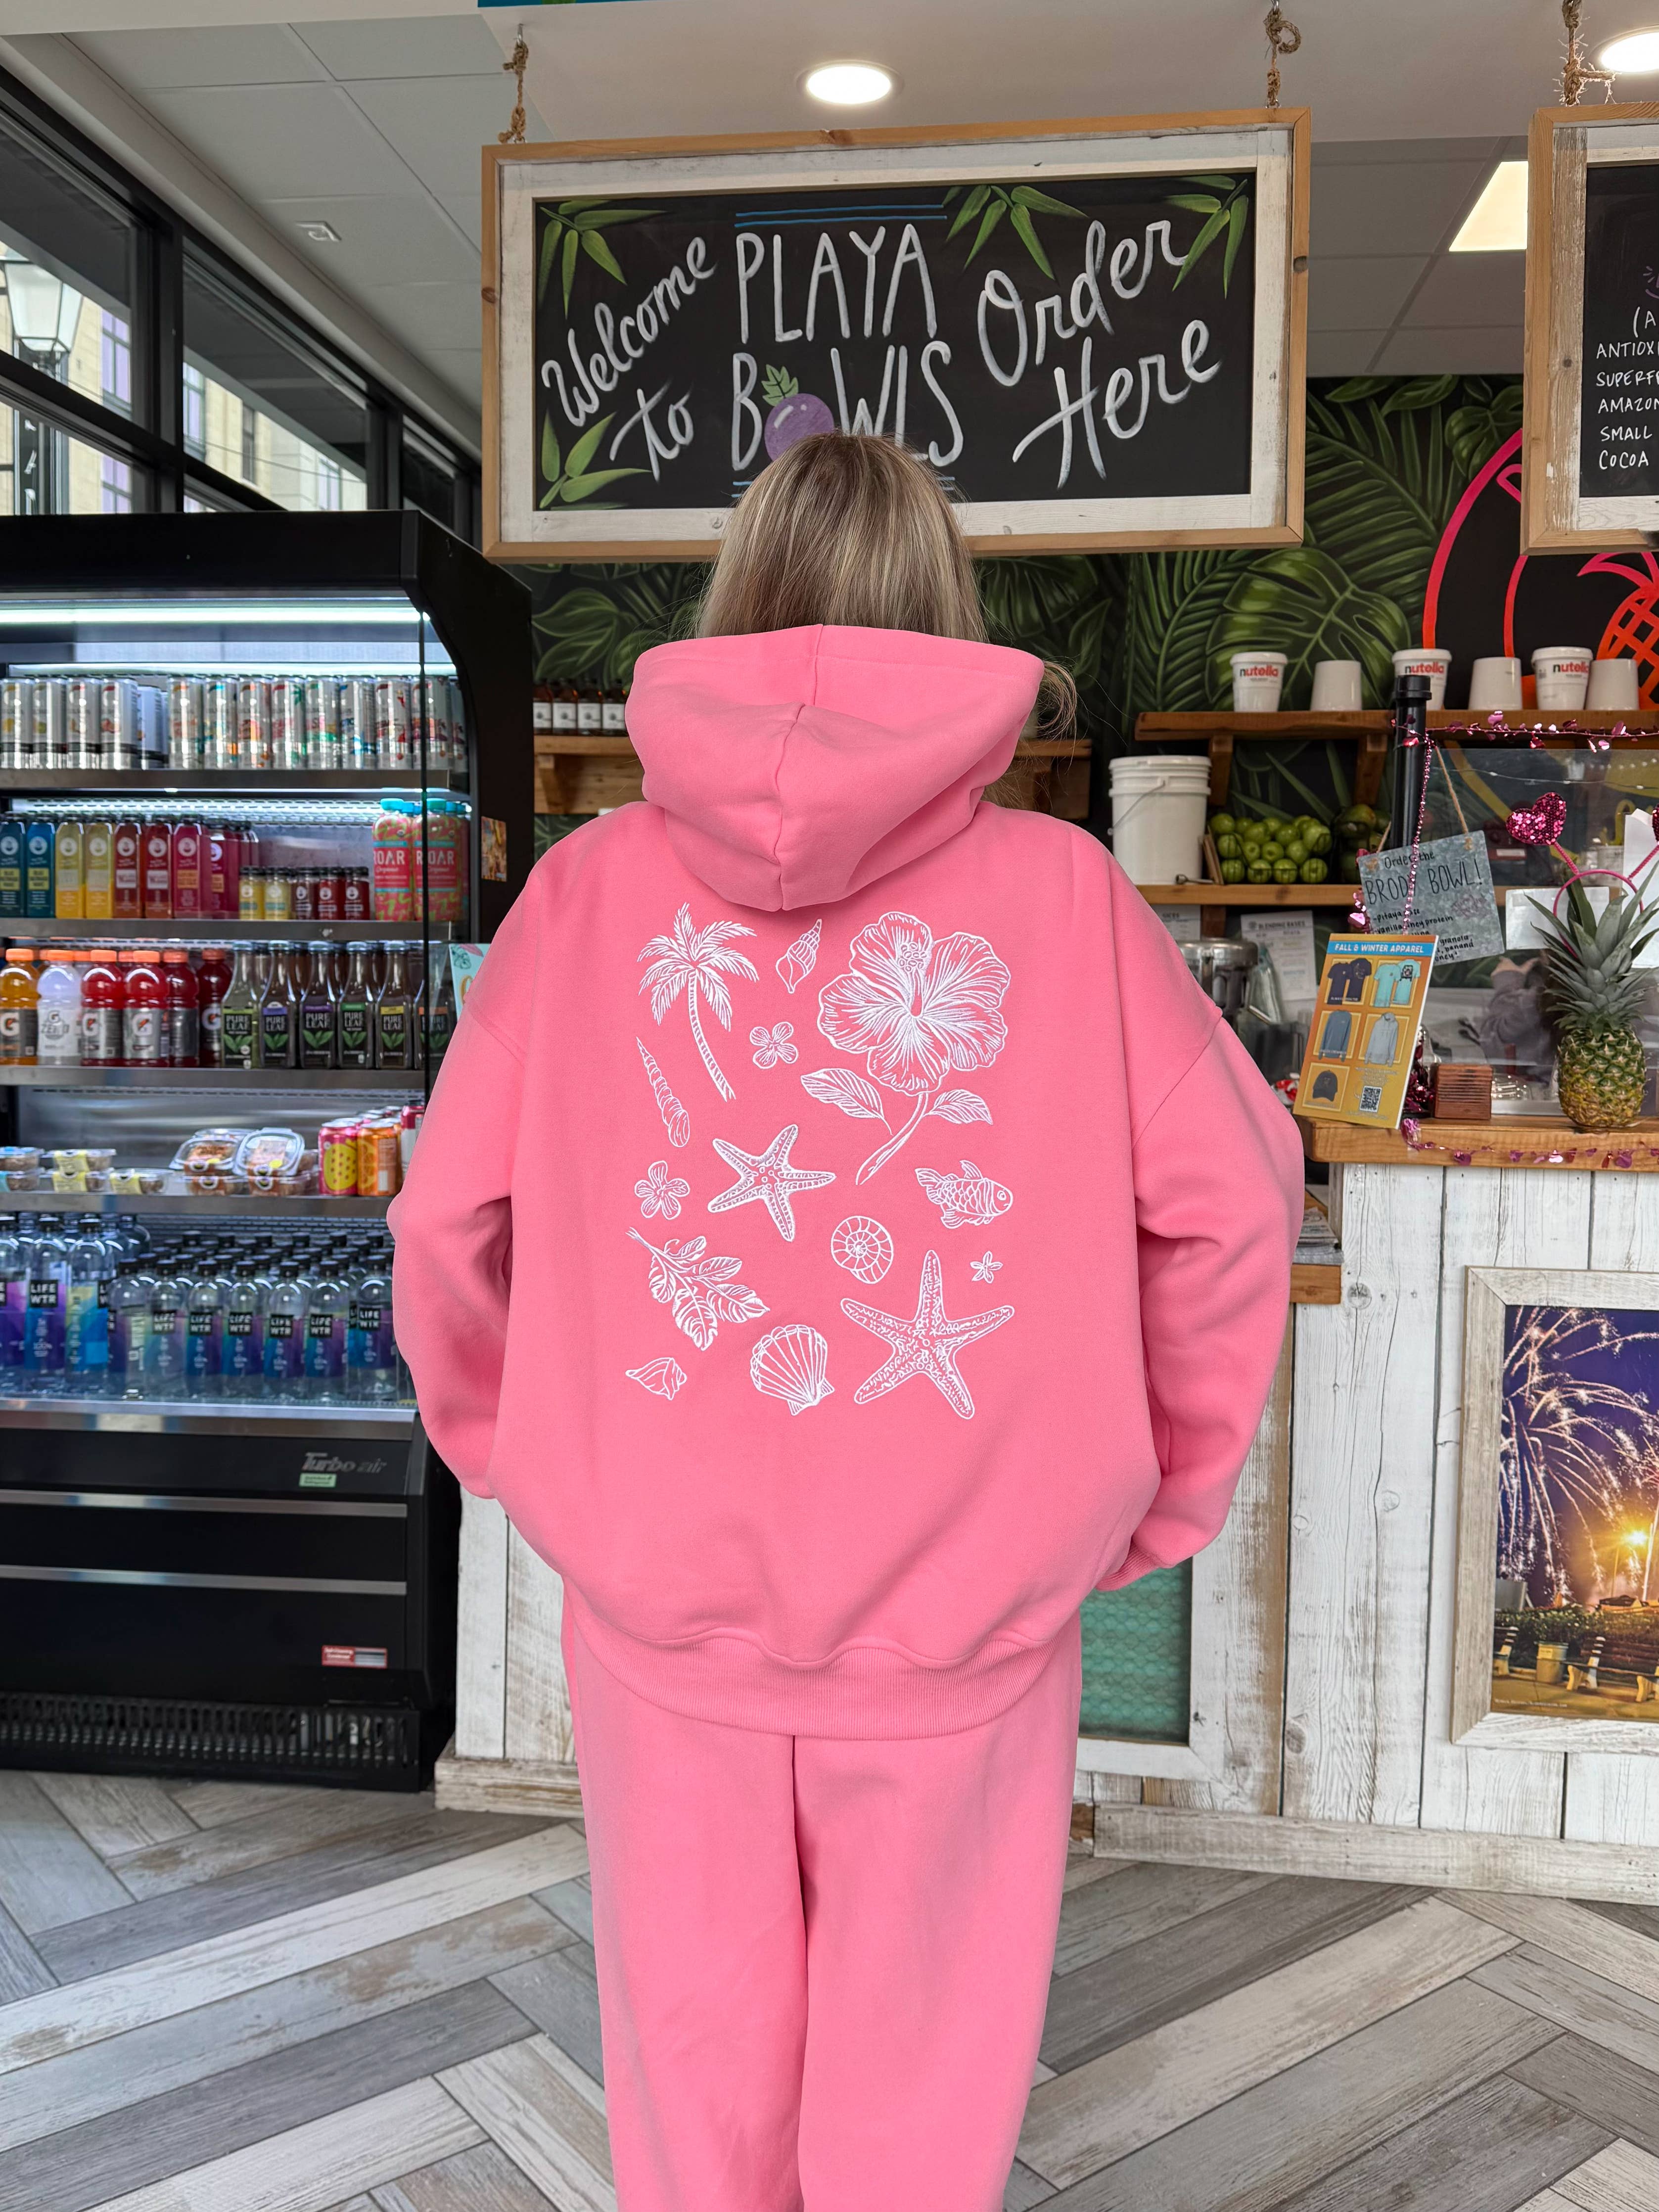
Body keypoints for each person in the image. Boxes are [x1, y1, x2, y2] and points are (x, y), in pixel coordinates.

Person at [390, 432, 1303, 2212]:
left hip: (659, 1609)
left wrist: (523, 1452)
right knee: (924, 2083)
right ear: (944, 619)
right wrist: (1157, 1493)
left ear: (732, 604)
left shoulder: (580, 895)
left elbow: (446, 1218)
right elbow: (1235, 1209)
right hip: (968, 1622)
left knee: (692, 2065)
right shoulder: (1070, 897)